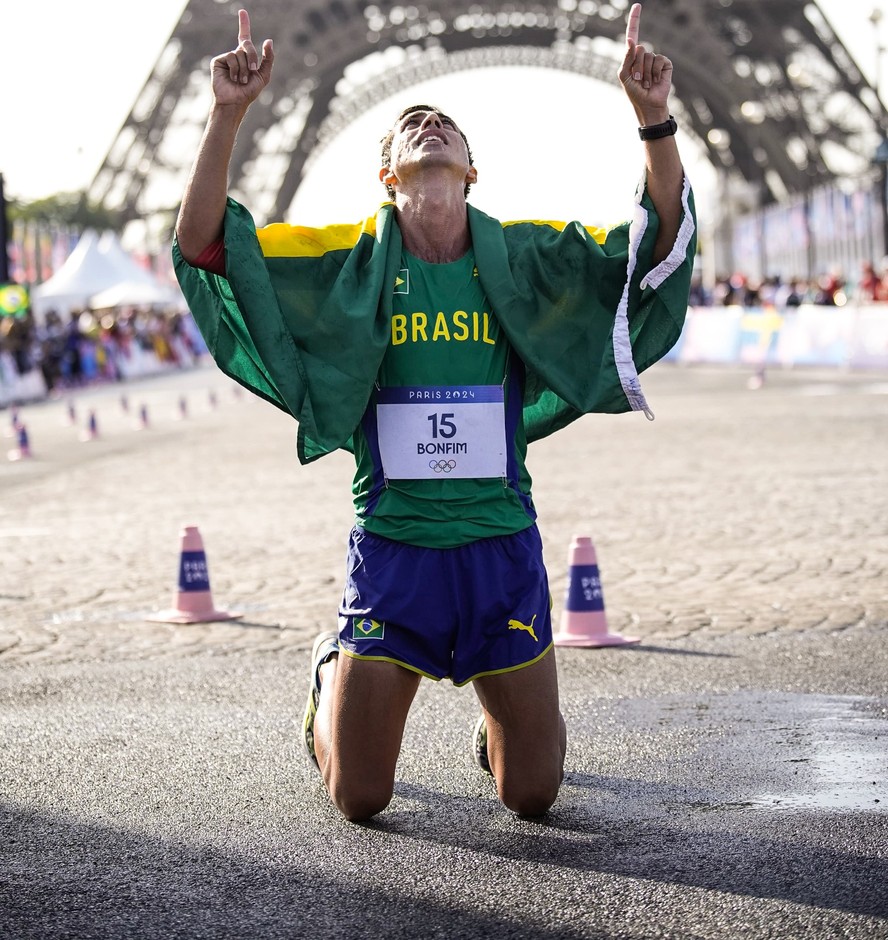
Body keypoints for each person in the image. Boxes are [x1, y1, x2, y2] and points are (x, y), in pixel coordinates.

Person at [173, 3, 696, 822]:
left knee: (531, 795)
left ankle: (505, 735)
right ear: (388, 173)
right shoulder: (347, 265)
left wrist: (652, 117)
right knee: (360, 798)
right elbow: (206, 245)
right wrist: (227, 113)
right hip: (395, 549)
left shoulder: (524, 255)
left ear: (471, 169)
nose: (428, 124)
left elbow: (657, 244)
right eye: (411, 124)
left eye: (444, 124)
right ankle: (328, 678)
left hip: (498, 546)